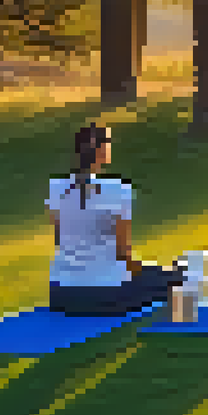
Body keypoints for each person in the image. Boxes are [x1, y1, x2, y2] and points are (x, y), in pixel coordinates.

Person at [47, 124, 186, 315]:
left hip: (60, 294)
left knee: (157, 275)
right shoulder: (118, 190)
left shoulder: (55, 188)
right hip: (105, 295)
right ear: (102, 150)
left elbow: (59, 240)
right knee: (175, 279)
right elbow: (123, 255)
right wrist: (160, 272)